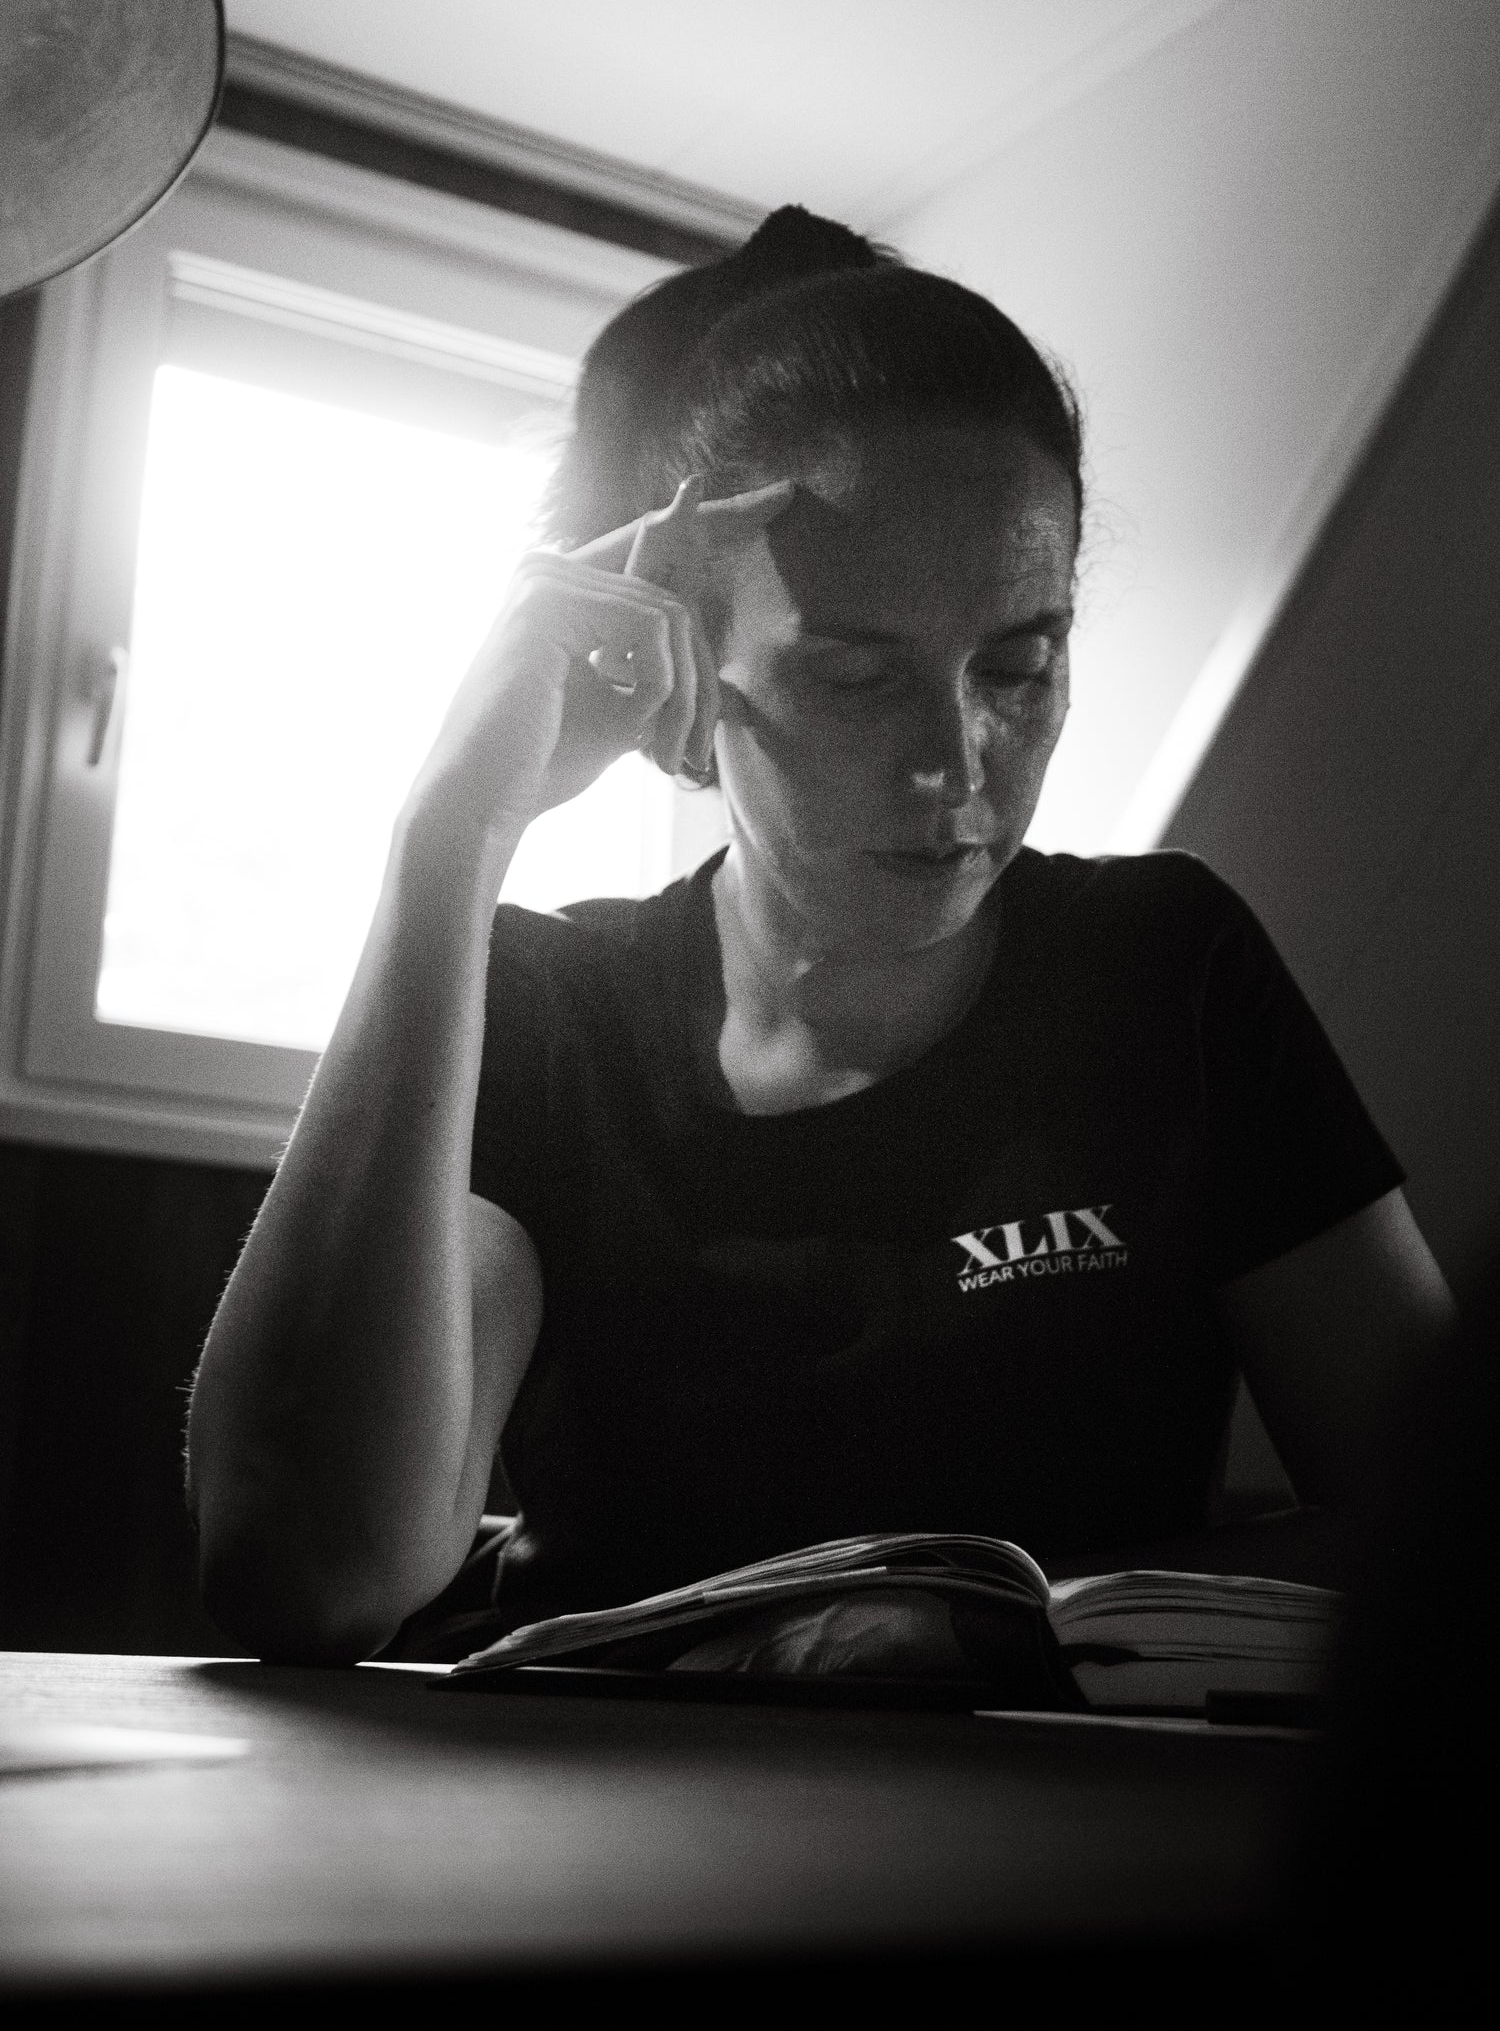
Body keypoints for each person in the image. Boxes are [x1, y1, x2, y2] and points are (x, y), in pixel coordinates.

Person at [186, 208, 1454, 1665]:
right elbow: (304, 1572)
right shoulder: (550, 1007)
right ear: (677, 666)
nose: (955, 763)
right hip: (595, 1805)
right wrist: (451, 835)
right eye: (855, 676)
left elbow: (1445, 1526)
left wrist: (981, 1632)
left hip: (1049, 1809)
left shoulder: (1166, 969)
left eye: (1020, 665)